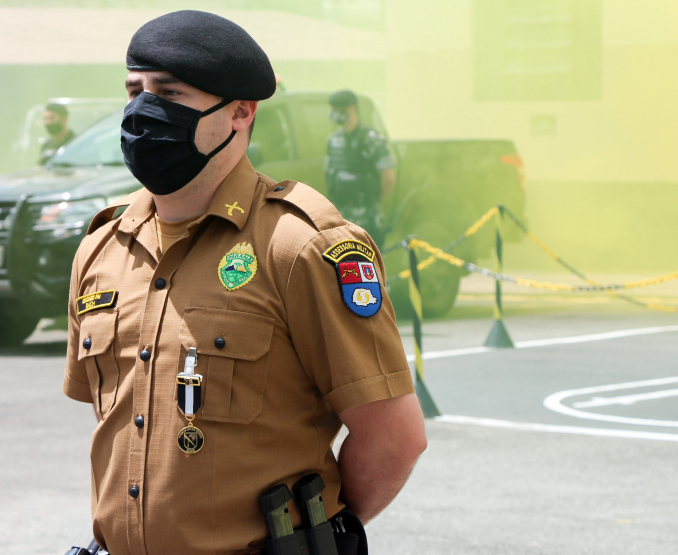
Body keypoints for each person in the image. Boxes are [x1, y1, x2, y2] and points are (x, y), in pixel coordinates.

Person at [62, 11, 426, 555]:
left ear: (239, 111)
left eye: (170, 93)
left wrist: (317, 538)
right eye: (135, 91)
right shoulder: (103, 247)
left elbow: (394, 436)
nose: (142, 111)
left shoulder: (298, 245)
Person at [325, 90, 397, 245]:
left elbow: (388, 178)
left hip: (367, 219)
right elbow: (331, 174)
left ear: (350, 109)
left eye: (337, 109)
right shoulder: (334, 140)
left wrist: (373, 201)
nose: (334, 114)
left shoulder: (372, 139)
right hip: (341, 220)